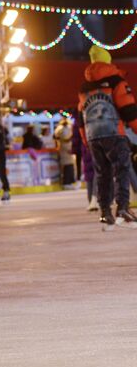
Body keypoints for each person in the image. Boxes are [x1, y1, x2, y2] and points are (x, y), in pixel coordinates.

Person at [77, 45, 137, 229]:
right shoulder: (115, 80)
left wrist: (86, 140)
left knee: (102, 174)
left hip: (93, 136)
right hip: (113, 132)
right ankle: (123, 209)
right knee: (122, 170)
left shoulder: (84, 87)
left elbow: (81, 116)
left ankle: (105, 213)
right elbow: (127, 107)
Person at [54, 118, 77, 190]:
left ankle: (69, 182)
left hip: (67, 149)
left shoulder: (65, 128)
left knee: (70, 167)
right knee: (66, 168)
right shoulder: (61, 129)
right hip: (64, 149)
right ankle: (66, 183)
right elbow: (64, 139)